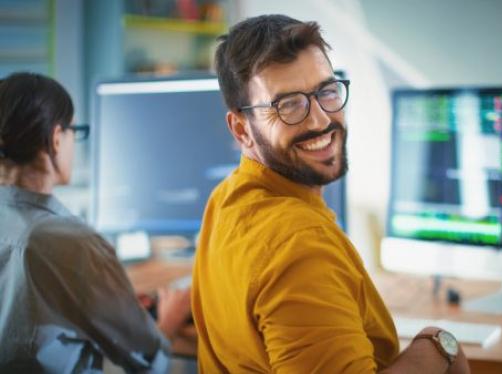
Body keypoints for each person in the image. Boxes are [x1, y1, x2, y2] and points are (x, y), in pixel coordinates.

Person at [191, 15, 471, 373]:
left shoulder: (227, 199)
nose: (321, 120)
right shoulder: (300, 245)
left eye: (327, 91)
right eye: (288, 105)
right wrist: (437, 346)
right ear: (242, 129)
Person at [0, 72, 191, 373]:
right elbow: (143, 358)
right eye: (75, 130)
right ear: (55, 139)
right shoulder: (69, 240)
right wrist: (168, 320)